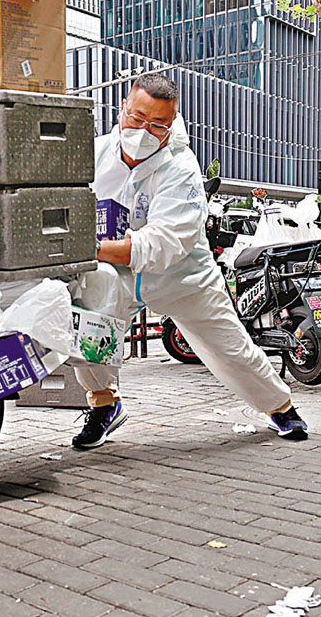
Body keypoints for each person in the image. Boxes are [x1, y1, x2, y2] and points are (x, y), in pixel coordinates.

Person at [71, 73, 308, 448]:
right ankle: (104, 403)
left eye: (157, 124)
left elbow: (162, 243)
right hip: (117, 272)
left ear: (172, 123)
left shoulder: (180, 168)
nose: (143, 130)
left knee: (229, 346)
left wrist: (90, 247)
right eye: (136, 118)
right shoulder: (96, 152)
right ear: (121, 109)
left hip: (182, 277)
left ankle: (280, 407)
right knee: (90, 321)